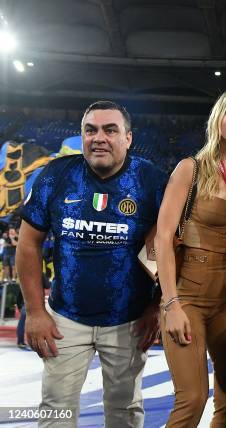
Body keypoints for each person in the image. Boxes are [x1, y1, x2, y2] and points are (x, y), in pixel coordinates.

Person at [16, 100, 166, 427]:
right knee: (55, 410)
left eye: (110, 130)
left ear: (128, 138)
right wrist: (36, 311)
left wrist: (157, 305)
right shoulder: (56, 176)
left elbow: (170, 247)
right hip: (64, 318)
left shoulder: (152, 180)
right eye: (90, 130)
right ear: (82, 136)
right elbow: (28, 244)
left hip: (129, 319)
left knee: (125, 412)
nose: (99, 137)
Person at [155, 88, 226, 427]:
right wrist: (171, 304)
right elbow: (162, 237)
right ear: (218, 119)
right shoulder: (191, 168)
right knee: (192, 398)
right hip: (187, 294)